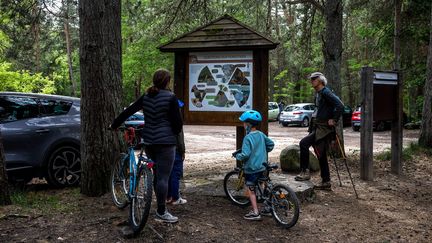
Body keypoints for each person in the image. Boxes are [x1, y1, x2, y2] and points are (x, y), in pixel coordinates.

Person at [111, 69, 182, 223]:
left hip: (149, 141)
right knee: (163, 178)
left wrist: (115, 124)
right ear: (167, 82)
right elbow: (178, 125)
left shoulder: (146, 96)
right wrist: (172, 132)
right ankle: (161, 212)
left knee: (157, 175)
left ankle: (158, 205)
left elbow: (128, 111)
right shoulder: (171, 97)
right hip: (166, 143)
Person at [294, 72, 344, 190]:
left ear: (320, 80)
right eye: (311, 79)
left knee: (304, 143)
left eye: (314, 79)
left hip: (324, 129)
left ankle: (305, 172)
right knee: (320, 154)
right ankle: (326, 182)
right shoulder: (319, 93)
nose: (312, 81)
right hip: (318, 127)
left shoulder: (326, 92)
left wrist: (334, 119)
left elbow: (340, 105)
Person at [234, 110, 274, 220]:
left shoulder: (247, 138)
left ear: (248, 124)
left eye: (244, 123)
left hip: (251, 168)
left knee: (251, 190)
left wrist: (238, 156)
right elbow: (271, 144)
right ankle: (268, 207)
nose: (243, 125)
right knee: (263, 185)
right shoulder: (261, 134)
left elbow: (245, 154)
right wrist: (264, 150)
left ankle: (256, 212)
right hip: (262, 166)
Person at [167, 100, 187, 205]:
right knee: (175, 174)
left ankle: (168, 197)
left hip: (166, 149)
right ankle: (175, 198)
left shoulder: (166, 119)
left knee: (168, 175)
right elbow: (180, 138)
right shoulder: (177, 121)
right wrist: (183, 151)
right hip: (176, 150)